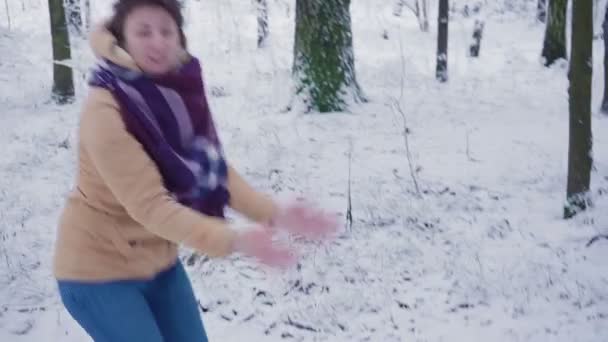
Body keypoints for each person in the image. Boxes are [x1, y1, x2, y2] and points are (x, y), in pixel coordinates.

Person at [52, 0, 338, 341]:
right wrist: (236, 239)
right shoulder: (106, 109)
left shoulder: (175, 93)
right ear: (121, 39)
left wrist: (275, 214)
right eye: (143, 31)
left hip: (159, 264)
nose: (157, 42)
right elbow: (151, 206)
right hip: (96, 272)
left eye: (166, 31)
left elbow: (211, 170)